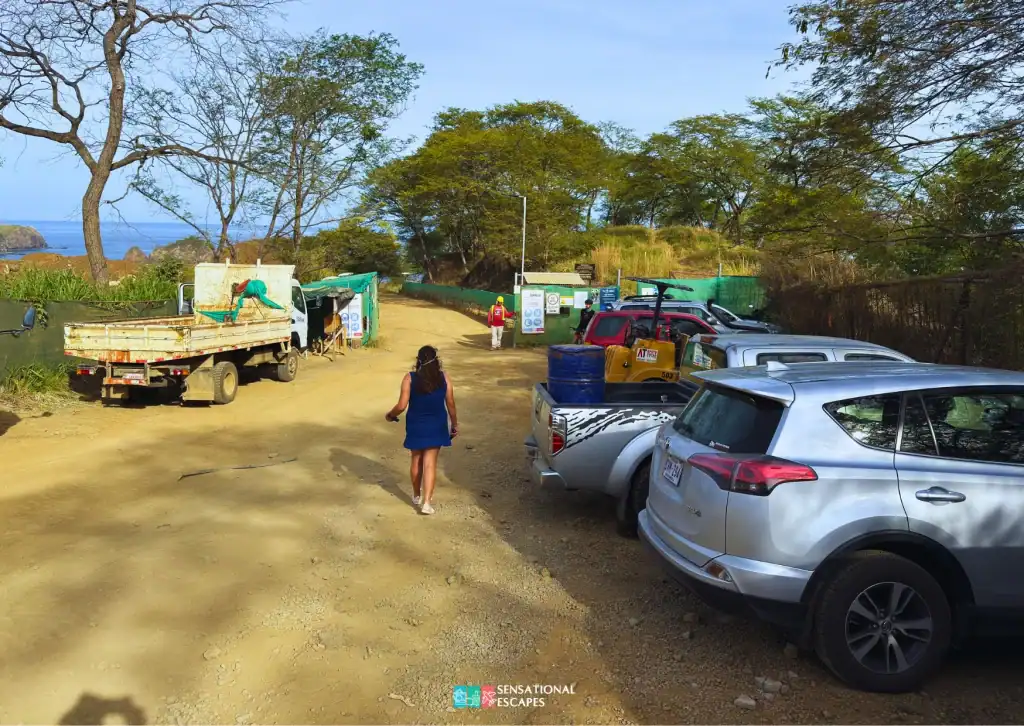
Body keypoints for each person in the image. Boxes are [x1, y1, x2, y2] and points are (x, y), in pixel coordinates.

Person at [385, 345, 458, 515]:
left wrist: (390, 415)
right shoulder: (445, 378)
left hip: (416, 424)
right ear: (436, 360)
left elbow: (401, 406)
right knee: (430, 463)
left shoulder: (409, 378)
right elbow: (451, 404)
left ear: (418, 360)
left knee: (416, 460)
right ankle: (427, 503)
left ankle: (416, 495)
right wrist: (454, 424)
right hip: (437, 425)